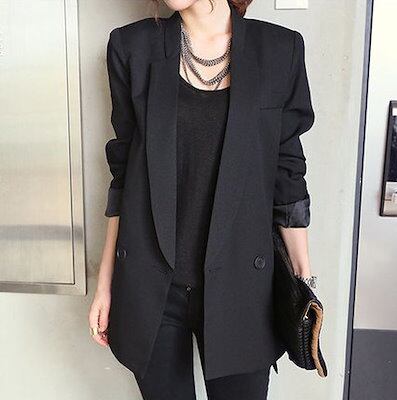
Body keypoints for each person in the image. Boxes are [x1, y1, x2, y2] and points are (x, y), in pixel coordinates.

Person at [89, 0, 316, 398]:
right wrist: (105, 283)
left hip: (244, 286)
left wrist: (303, 283)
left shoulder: (279, 50)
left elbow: (288, 178)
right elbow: (123, 176)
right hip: (151, 286)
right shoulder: (131, 47)